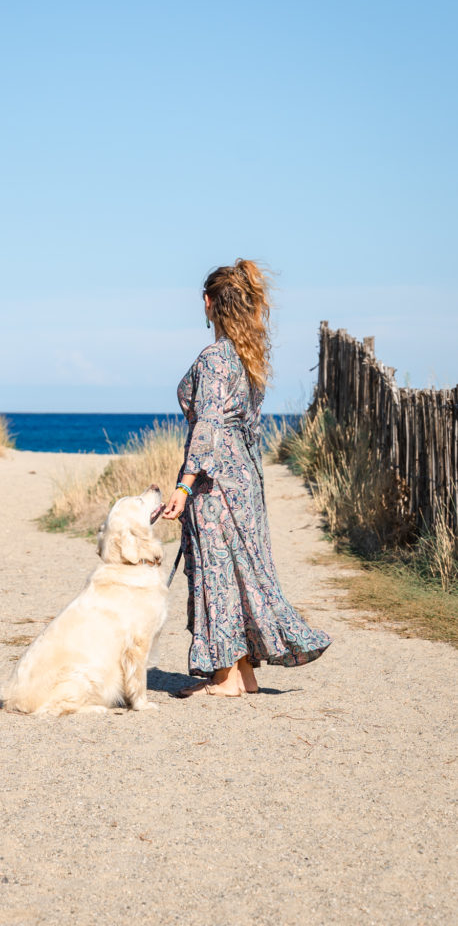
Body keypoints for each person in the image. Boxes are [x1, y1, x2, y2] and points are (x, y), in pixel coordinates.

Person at [162, 261, 331, 697]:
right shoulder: (248, 357)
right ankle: (244, 674)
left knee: (219, 574)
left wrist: (184, 486)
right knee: (242, 570)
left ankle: (223, 678)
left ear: (208, 304)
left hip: (215, 483)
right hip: (245, 479)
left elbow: (208, 426)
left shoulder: (216, 358)